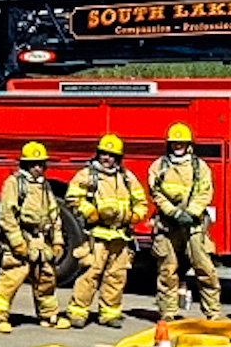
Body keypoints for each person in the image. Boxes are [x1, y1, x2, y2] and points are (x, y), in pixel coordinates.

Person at [65, 135, 147, 329]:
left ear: (118, 158)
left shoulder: (127, 178)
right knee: (90, 275)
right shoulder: (87, 175)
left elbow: (141, 203)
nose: (106, 158)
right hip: (97, 236)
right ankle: (78, 312)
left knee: (116, 277)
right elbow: (72, 198)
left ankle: (109, 314)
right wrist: (89, 211)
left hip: (120, 236)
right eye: (103, 154)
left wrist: (134, 216)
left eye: (111, 155)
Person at [0, 142, 63, 333]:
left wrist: (58, 240)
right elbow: (6, 215)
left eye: (40, 164)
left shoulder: (44, 186)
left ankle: (48, 315)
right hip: (22, 237)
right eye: (33, 164)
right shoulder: (14, 183)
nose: (37, 168)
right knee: (11, 277)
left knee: (46, 278)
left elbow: (54, 214)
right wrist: (16, 242)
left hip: (41, 240)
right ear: (25, 165)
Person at [148, 123, 222, 321]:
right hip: (167, 226)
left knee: (205, 269)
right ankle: (168, 313)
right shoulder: (159, 167)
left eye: (181, 143)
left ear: (189, 144)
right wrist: (173, 213)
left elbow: (205, 192)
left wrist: (191, 213)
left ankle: (213, 312)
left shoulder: (200, 167)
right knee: (167, 270)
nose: (178, 146)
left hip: (194, 226)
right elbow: (156, 193)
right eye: (174, 143)